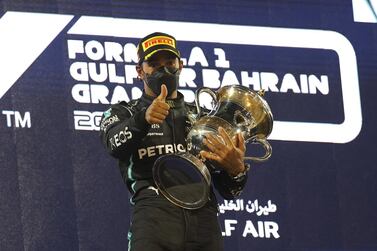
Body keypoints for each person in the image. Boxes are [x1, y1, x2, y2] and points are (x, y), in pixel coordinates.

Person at [99, 32, 250, 251]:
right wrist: (144, 119)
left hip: (204, 221)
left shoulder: (203, 118)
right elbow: (113, 144)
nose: (164, 69)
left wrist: (236, 171)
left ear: (181, 65)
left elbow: (229, 191)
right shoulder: (124, 112)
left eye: (169, 62)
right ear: (140, 71)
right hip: (154, 218)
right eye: (154, 64)